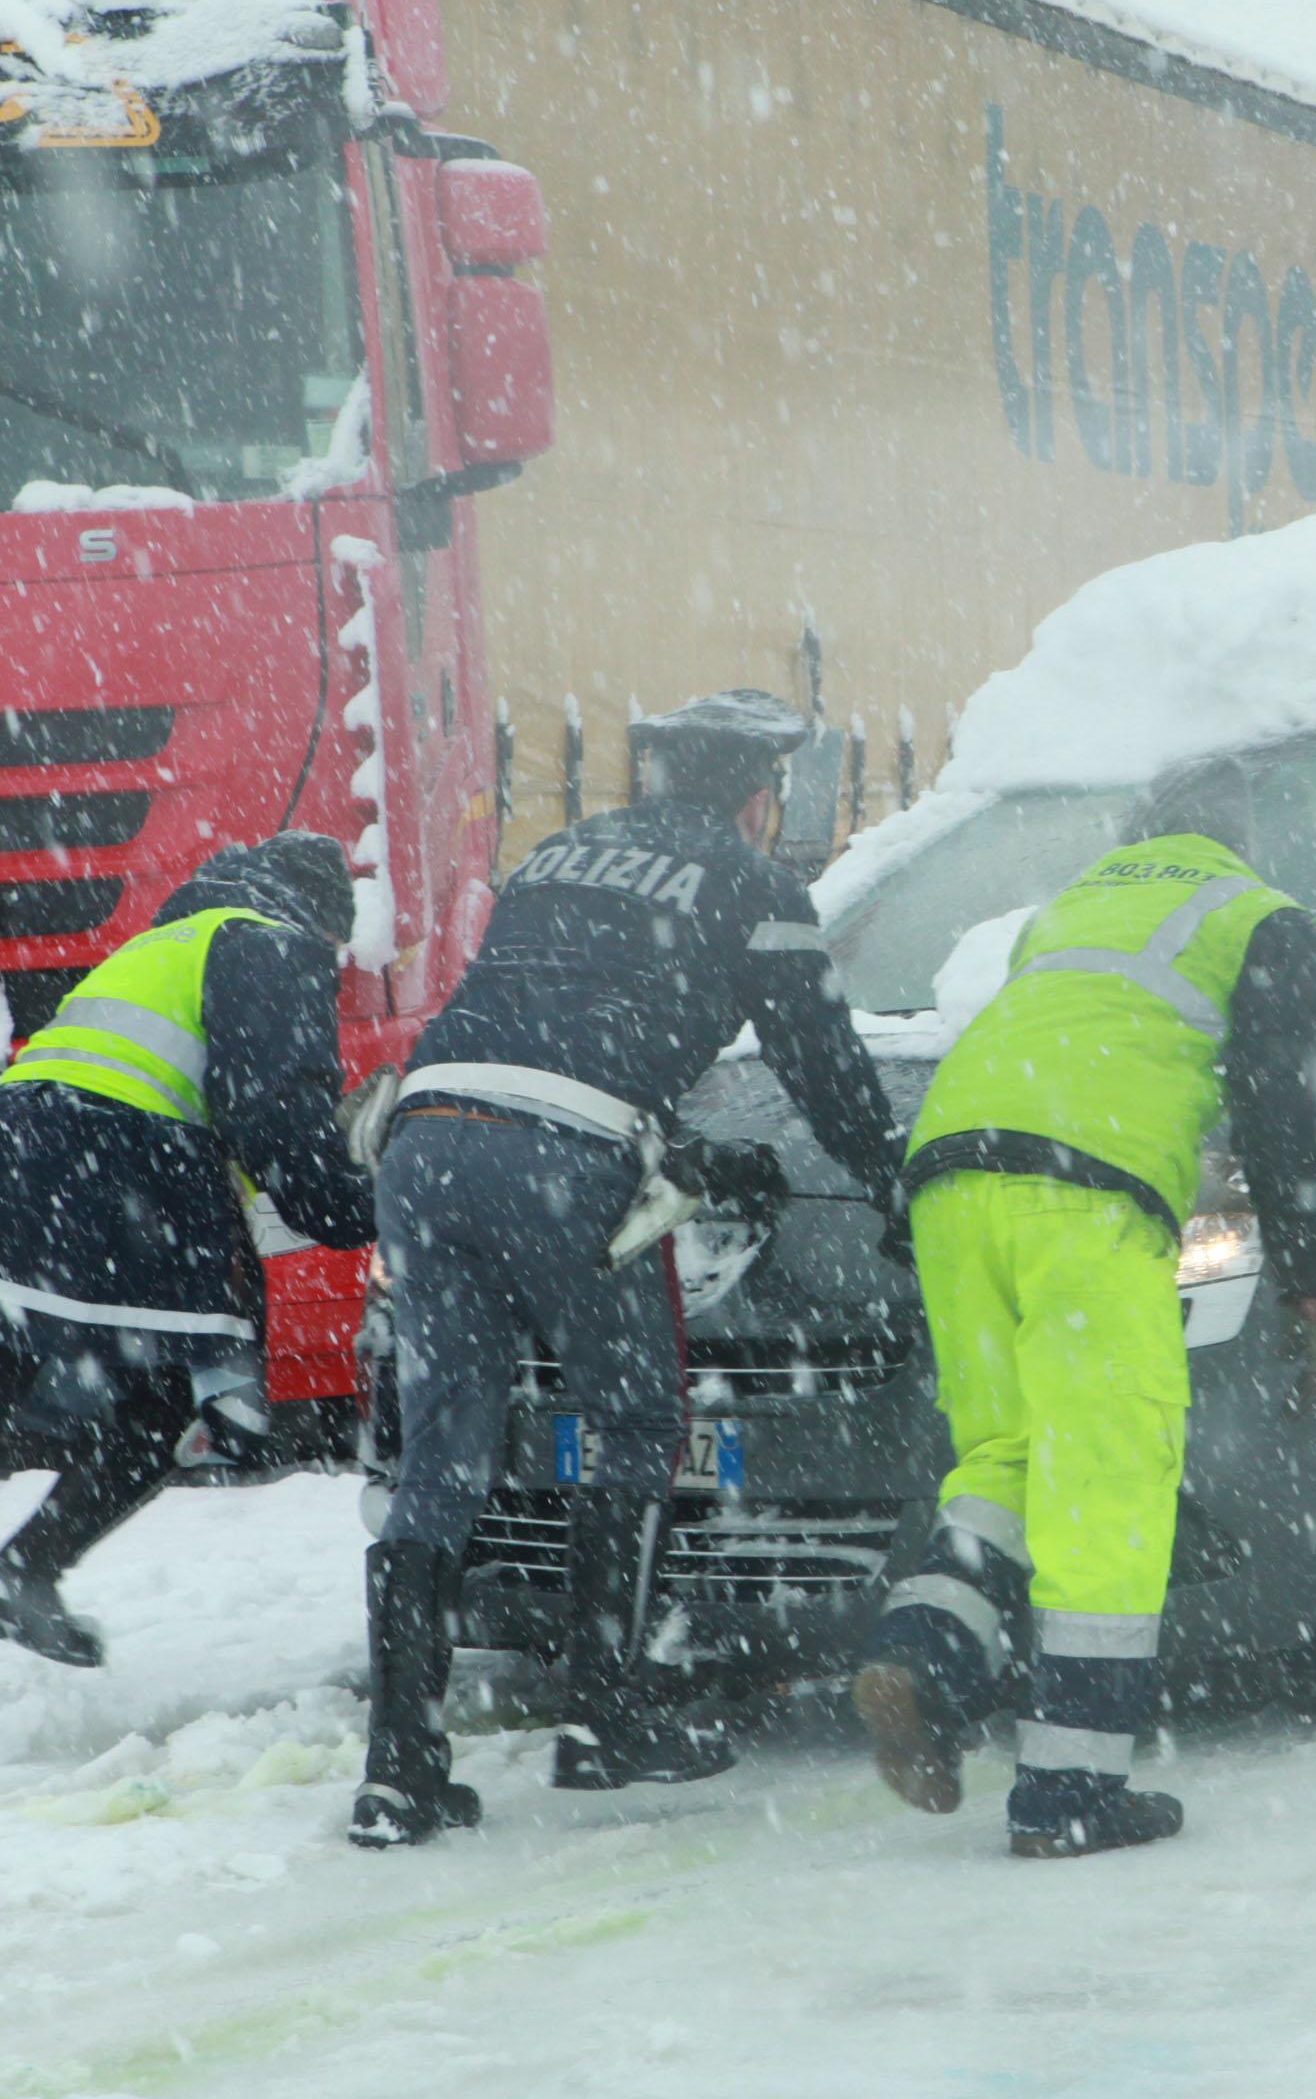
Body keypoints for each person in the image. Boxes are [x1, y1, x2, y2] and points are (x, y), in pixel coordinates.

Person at [352, 690, 908, 1849]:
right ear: (759, 798)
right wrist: (887, 1172)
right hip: (568, 1156)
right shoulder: (754, 883)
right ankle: (605, 1719)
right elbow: (823, 1064)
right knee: (637, 1418)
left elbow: (550, 1004)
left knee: (445, 1442)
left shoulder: (557, 851)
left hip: (429, 1129)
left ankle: (400, 1765)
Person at [854, 755, 1316, 1859]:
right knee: (1111, 1475)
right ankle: (1069, 1789)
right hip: (1083, 1194)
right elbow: (1290, 1118)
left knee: (1008, 1452)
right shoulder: (1261, 917)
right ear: (1244, 835)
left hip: (948, 1174)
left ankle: (926, 1653)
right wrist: (1315, 1276)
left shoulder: (1072, 908)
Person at [0, 834, 377, 1703]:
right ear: (322, 919)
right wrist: (355, 1205)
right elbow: (273, 1113)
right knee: (157, 1406)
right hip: (112, 1169)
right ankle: (22, 1574)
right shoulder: (272, 943)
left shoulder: (167, 941)